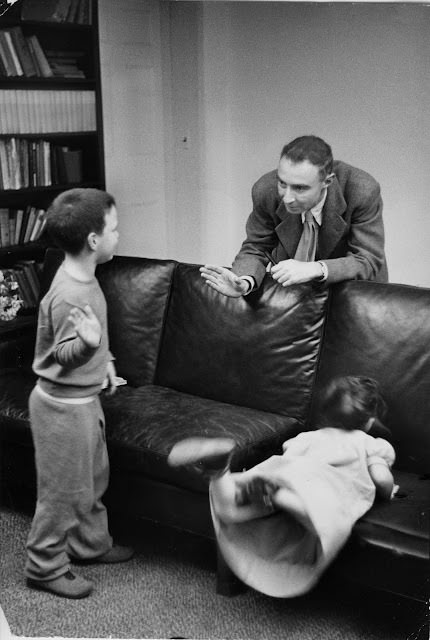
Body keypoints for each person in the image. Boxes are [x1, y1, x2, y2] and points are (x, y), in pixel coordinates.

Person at [167, 376, 396, 598]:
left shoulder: (308, 437)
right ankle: (283, 498)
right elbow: (381, 479)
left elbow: (291, 458)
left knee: (230, 512)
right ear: (369, 421)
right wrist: (389, 490)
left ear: (328, 413)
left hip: (283, 474)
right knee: (325, 526)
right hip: (319, 488)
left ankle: (219, 472)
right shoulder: (370, 444)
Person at [25, 188, 133, 599]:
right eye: (114, 229)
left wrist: (103, 358)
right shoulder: (71, 292)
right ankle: (44, 565)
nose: (118, 236)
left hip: (83, 401)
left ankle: (89, 545)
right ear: (93, 241)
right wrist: (88, 347)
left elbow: (90, 337)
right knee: (63, 492)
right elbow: (62, 353)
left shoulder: (82, 276)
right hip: (61, 409)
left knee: (91, 479)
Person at [200, 135, 388, 297]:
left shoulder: (361, 190)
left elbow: (367, 260)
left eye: (300, 188)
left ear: (327, 181)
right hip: (296, 296)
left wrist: (316, 268)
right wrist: (244, 281)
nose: (288, 198)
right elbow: (256, 247)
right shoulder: (265, 190)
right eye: (283, 183)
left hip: (353, 293)